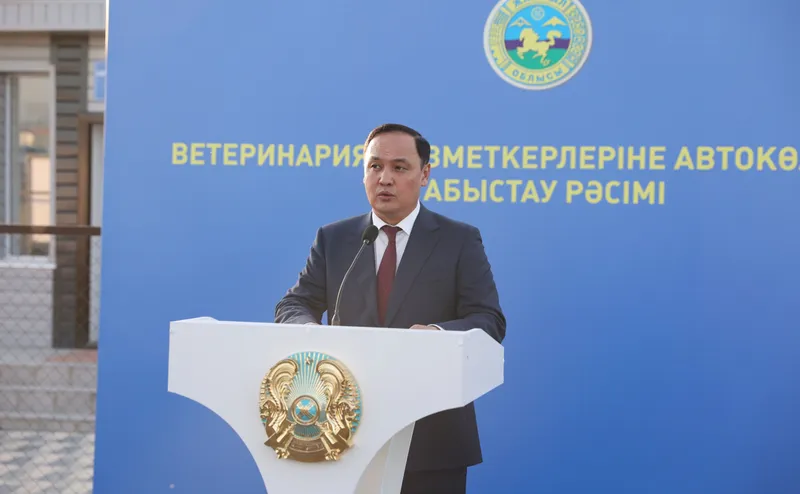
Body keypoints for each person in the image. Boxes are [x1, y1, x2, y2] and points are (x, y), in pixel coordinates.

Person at [274, 123, 506, 494]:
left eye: (399, 167)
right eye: (375, 166)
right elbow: (295, 303)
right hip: (343, 431)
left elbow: (488, 319)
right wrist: (309, 331)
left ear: (425, 174)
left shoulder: (459, 239)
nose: (385, 178)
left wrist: (438, 335)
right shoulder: (334, 238)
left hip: (431, 435)